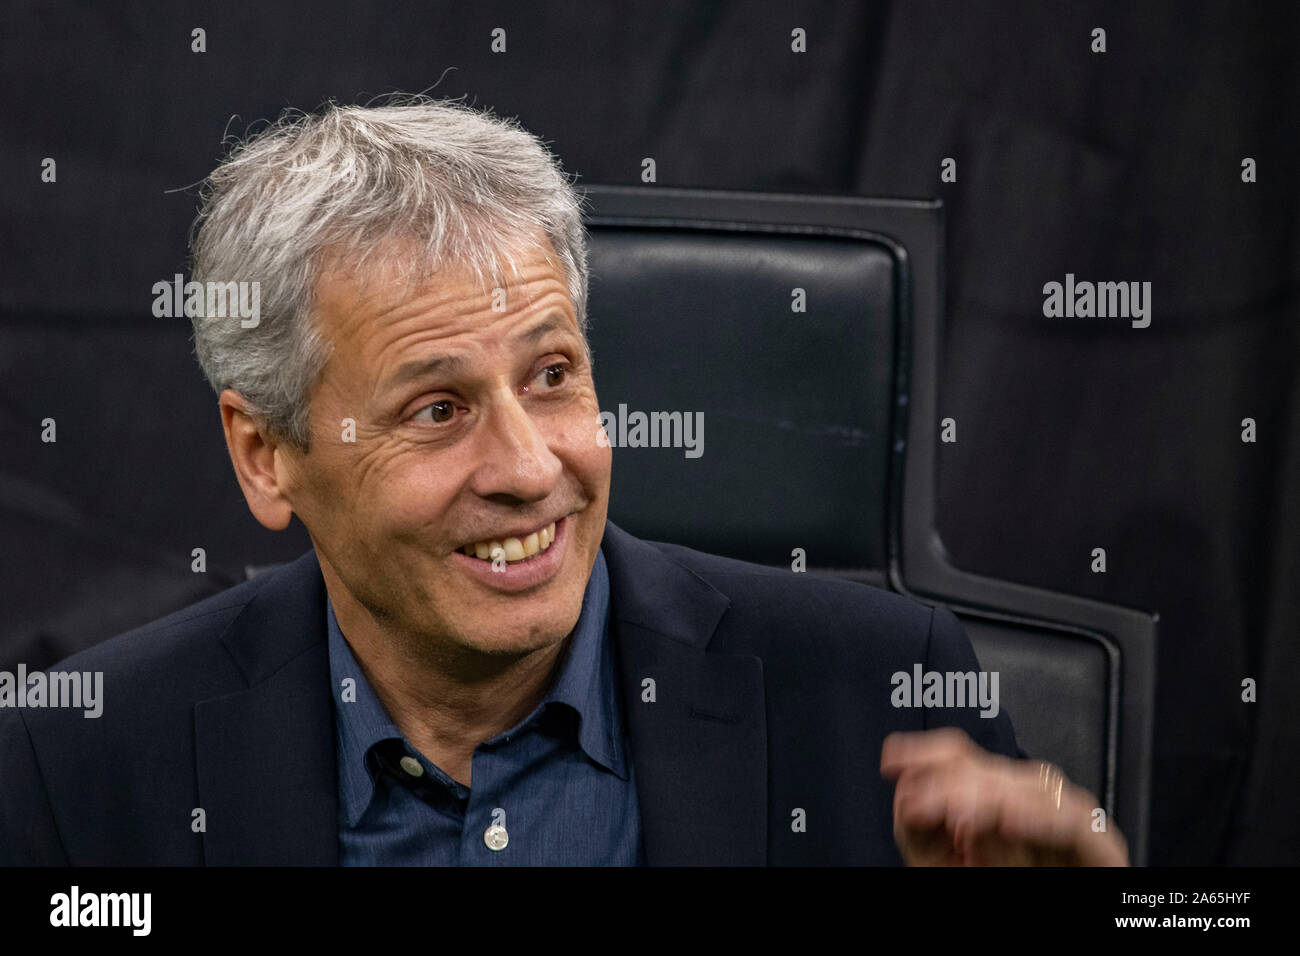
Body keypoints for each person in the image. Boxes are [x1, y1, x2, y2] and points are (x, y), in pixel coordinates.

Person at [0, 97, 1126, 866]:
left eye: (551, 375)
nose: (532, 467)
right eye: (436, 409)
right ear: (266, 453)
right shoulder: (87, 764)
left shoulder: (879, 692)